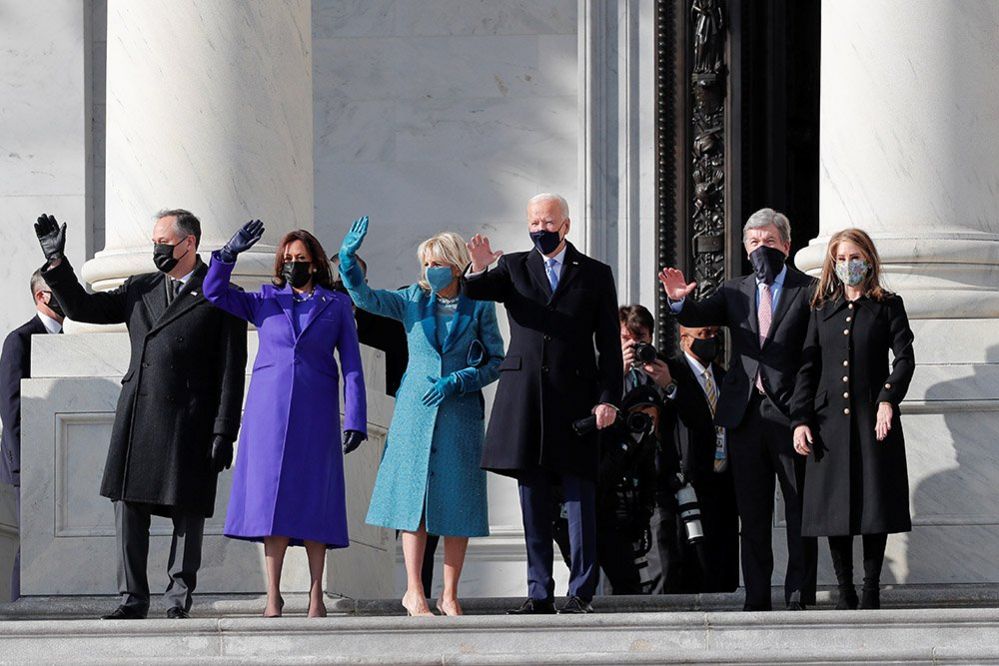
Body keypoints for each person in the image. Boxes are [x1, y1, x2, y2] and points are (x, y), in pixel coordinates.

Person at [34, 211, 246, 619]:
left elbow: (231, 369)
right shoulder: (140, 287)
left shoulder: (221, 294)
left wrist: (225, 430)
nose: (156, 250)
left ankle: (178, 598)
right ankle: (133, 598)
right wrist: (58, 265)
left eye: (163, 242)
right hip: (140, 415)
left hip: (191, 419)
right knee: (127, 506)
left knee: (188, 510)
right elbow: (82, 308)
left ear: (189, 243)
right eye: (154, 242)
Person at [463, 193, 623, 615]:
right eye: (534, 222)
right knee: (532, 499)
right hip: (526, 399)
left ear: (565, 225)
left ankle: (581, 591)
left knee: (578, 498)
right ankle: (538, 592)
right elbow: (475, 290)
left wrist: (609, 399)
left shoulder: (594, 273)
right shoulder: (513, 266)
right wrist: (478, 267)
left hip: (577, 400)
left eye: (547, 222)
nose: (540, 230)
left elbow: (608, 344)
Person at [338, 218, 503, 617]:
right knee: (415, 499)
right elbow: (366, 299)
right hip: (416, 409)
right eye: (426, 263)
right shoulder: (413, 298)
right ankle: (414, 591)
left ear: (458, 264)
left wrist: (461, 379)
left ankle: (449, 595)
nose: (430, 270)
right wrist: (347, 262)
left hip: (460, 411)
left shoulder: (479, 304)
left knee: (457, 503)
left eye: (438, 262)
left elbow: (497, 359)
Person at [203, 221, 367, 618]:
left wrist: (356, 419)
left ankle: (316, 596)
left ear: (314, 263)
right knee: (271, 503)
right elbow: (213, 292)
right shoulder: (265, 299)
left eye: (301, 259)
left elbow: (352, 367)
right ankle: (273, 595)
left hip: (316, 410)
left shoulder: (336, 305)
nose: (293, 264)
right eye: (288, 259)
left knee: (315, 501)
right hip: (268, 413)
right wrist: (228, 255)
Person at [658, 207, 817, 611]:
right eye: (754, 243)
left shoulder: (809, 290)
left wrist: (803, 414)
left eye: (768, 241)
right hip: (745, 417)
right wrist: (679, 303)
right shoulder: (735, 290)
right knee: (753, 514)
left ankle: (799, 596)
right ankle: (758, 599)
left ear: (786, 244)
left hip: (790, 416)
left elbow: (813, 355)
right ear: (745, 249)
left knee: (799, 510)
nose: (761, 248)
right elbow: (698, 314)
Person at [791, 228, 914, 610]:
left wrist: (888, 399)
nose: (848, 265)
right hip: (828, 424)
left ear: (869, 260)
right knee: (835, 508)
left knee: (873, 505)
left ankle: (871, 589)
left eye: (855, 257)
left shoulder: (888, 305)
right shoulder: (821, 309)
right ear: (833, 263)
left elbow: (905, 358)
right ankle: (845, 590)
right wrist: (800, 419)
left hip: (871, 421)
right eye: (841, 259)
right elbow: (807, 367)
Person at [1, 269, 65, 600]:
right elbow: (11, 411)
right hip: (29, 466)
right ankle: (17, 615)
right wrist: (21, 468)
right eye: (59, 289)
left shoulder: (70, 340)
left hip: (62, 462)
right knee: (31, 546)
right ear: (42, 296)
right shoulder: (20, 340)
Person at [662, 324, 740, 593]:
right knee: (692, 567)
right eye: (703, 334)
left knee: (723, 569)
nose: (711, 340)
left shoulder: (723, 376)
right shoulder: (670, 372)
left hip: (723, 482)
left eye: (714, 333)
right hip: (689, 484)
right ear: (684, 339)